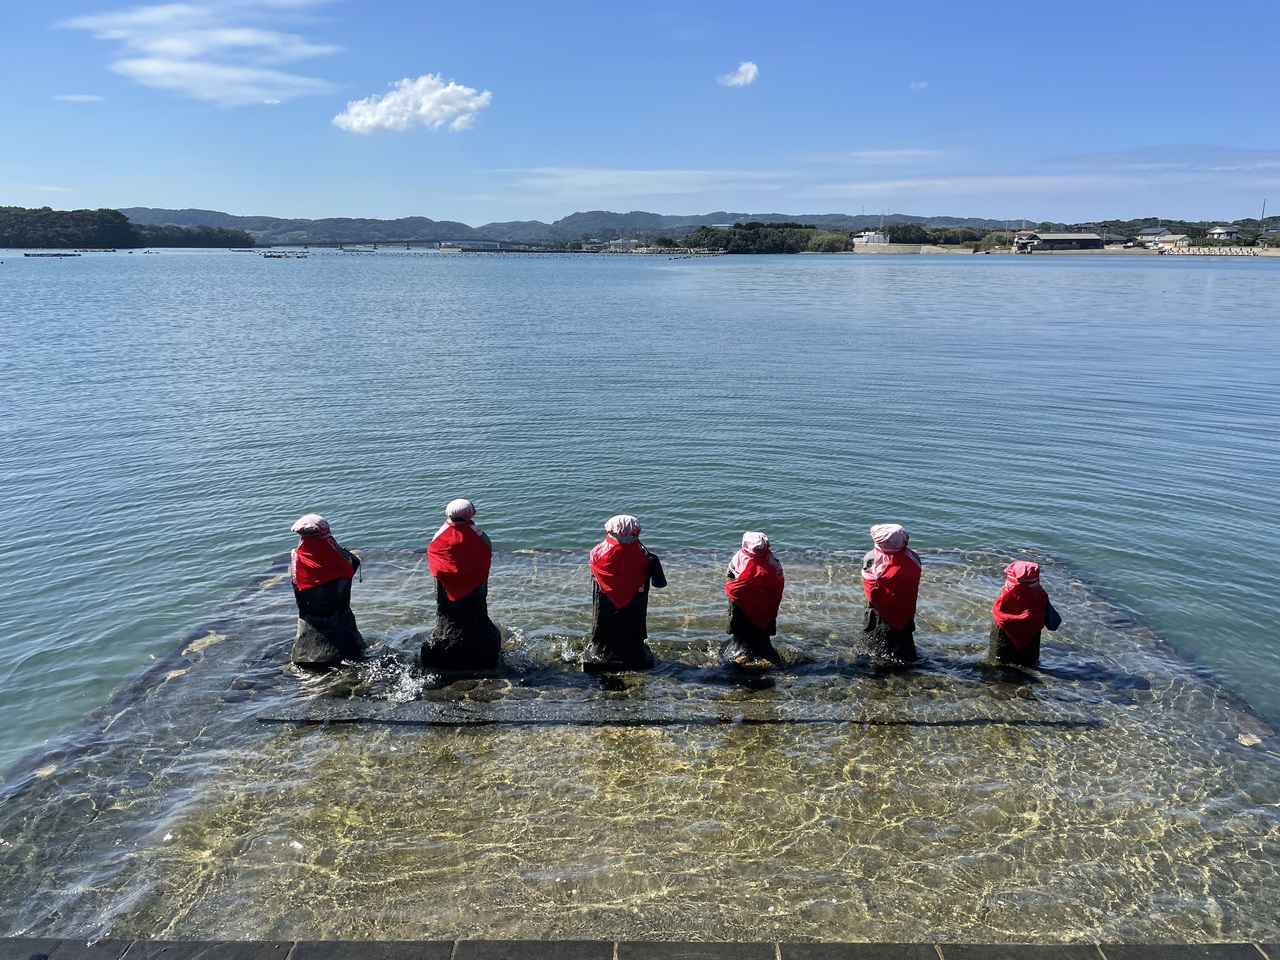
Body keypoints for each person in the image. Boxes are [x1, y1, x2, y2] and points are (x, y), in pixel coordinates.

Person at [422, 498, 501, 670]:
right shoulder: (479, 535)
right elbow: (485, 555)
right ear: (470, 513)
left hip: (446, 582)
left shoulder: (439, 535)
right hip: (474, 582)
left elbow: (434, 555)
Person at [582, 514, 667, 670]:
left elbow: (594, 559)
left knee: (603, 626)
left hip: (605, 600)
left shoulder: (599, 553)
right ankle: (635, 651)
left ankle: (600, 651)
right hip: (635, 600)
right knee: (633, 627)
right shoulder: (642, 556)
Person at [289, 514, 366, 670]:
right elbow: (354, 562)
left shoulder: (298, 564)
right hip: (347, 642)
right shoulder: (345, 561)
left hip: (306, 647)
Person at [860, 523, 922, 664]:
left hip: (878, 609)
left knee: (876, 645)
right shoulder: (913, 557)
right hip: (905, 607)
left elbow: (868, 583)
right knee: (903, 642)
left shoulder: (871, 558)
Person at [722, 531, 785, 668]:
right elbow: (779, 580)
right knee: (762, 630)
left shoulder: (739, 559)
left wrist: (740, 591)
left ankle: (739, 654)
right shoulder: (771, 560)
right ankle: (765, 655)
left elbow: (730, 581)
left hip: (742, 604)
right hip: (765, 604)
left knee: (741, 630)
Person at [989, 560, 1062, 667]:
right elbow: (1053, 623)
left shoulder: (1003, 593)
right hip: (1030, 644)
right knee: (1029, 665)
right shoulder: (1039, 596)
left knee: (998, 664)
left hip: (1002, 640)